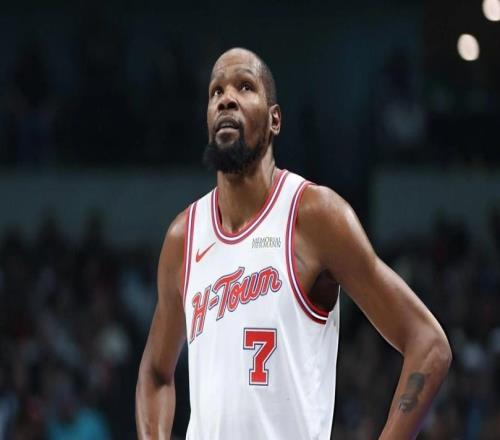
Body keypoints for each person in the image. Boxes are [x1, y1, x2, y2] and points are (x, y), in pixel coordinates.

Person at [135, 47, 451, 439]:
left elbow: (429, 344)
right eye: (216, 91)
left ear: (275, 120)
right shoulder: (183, 237)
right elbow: (155, 374)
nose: (226, 98)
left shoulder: (315, 216)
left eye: (244, 86)